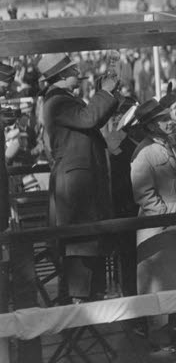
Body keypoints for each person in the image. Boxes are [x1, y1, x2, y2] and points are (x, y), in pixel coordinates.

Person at [39, 52, 120, 303]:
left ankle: (83, 312)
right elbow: (89, 119)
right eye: (74, 71)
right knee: (80, 252)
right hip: (75, 193)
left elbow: (91, 121)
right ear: (62, 75)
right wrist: (104, 93)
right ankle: (78, 314)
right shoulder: (58, 102)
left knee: (87, 249)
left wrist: (105, 94)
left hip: (80, 191)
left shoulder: (63, 101)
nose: (78, 74)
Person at [129, 98, 176, 351]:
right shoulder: (144, 152)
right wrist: (165, 214)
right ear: (151, 126)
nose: (169, 122)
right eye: (162, 120)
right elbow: (142, 192)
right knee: (157, 284)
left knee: (173, 281)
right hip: (158, 224)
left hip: (175, 222)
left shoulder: (167, 145)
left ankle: (170, 333)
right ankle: (159, 341)